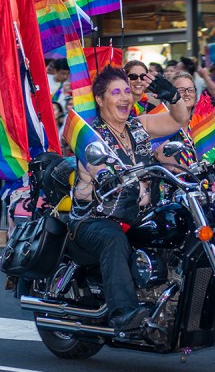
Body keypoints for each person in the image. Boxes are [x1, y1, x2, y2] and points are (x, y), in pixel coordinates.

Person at [69, 66, 188, 335]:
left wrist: (172, 97)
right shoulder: (91, 136)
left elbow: (179, 120)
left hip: (137, 215)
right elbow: (97, 166)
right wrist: (107, 175)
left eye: (126, 91)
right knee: (113, 239)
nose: (124, 97)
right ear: (100, 99)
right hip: (94, 219)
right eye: (116, 92)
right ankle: (123, 312)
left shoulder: (139, 126)